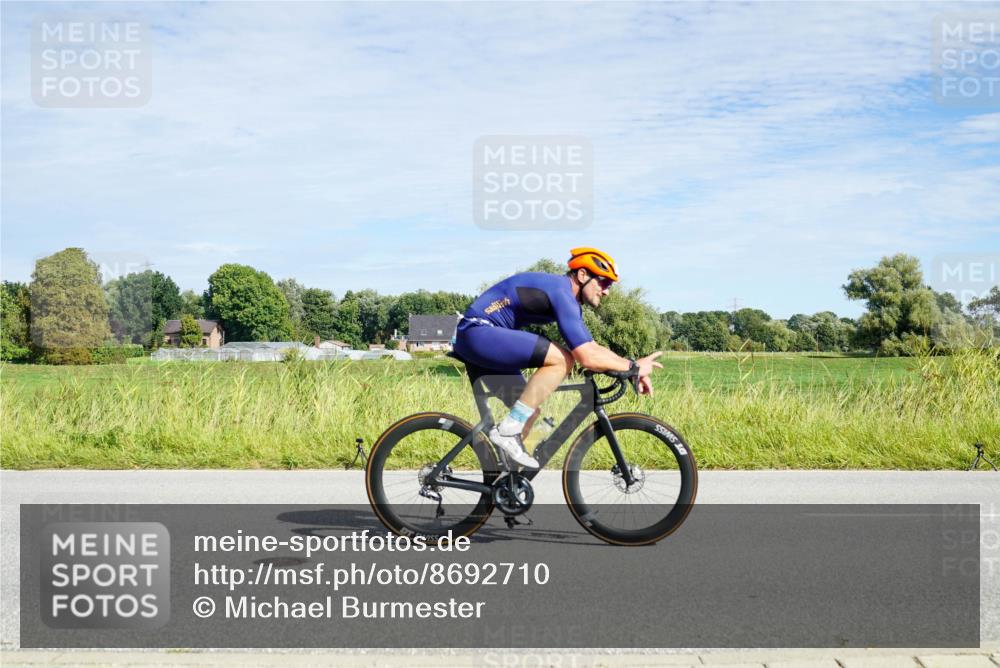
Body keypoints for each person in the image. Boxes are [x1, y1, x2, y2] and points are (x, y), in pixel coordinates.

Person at [452, 247, 663, 468]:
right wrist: (634, 367)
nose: (607, 291)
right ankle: (507, 433)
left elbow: (591, 347)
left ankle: (508, 480)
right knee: (562, 359)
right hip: (477, 332)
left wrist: (629, 368)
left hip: (481, 339)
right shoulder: (560, 291)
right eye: (604, 282)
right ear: (582, 275)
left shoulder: (567, 301)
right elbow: (586, 357)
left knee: (528, 410)